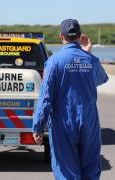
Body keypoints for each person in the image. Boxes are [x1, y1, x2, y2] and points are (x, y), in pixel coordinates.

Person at [32, 19, 108, 180]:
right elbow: (101, 79)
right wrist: (87, 52)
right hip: (89, 119)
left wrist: (38, 126)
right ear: (80, 37)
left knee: (66, 170)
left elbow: (46, 97)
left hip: (63, 121)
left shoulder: (54, 62)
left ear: (61, 36)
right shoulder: (90, 60)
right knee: (91, 167)